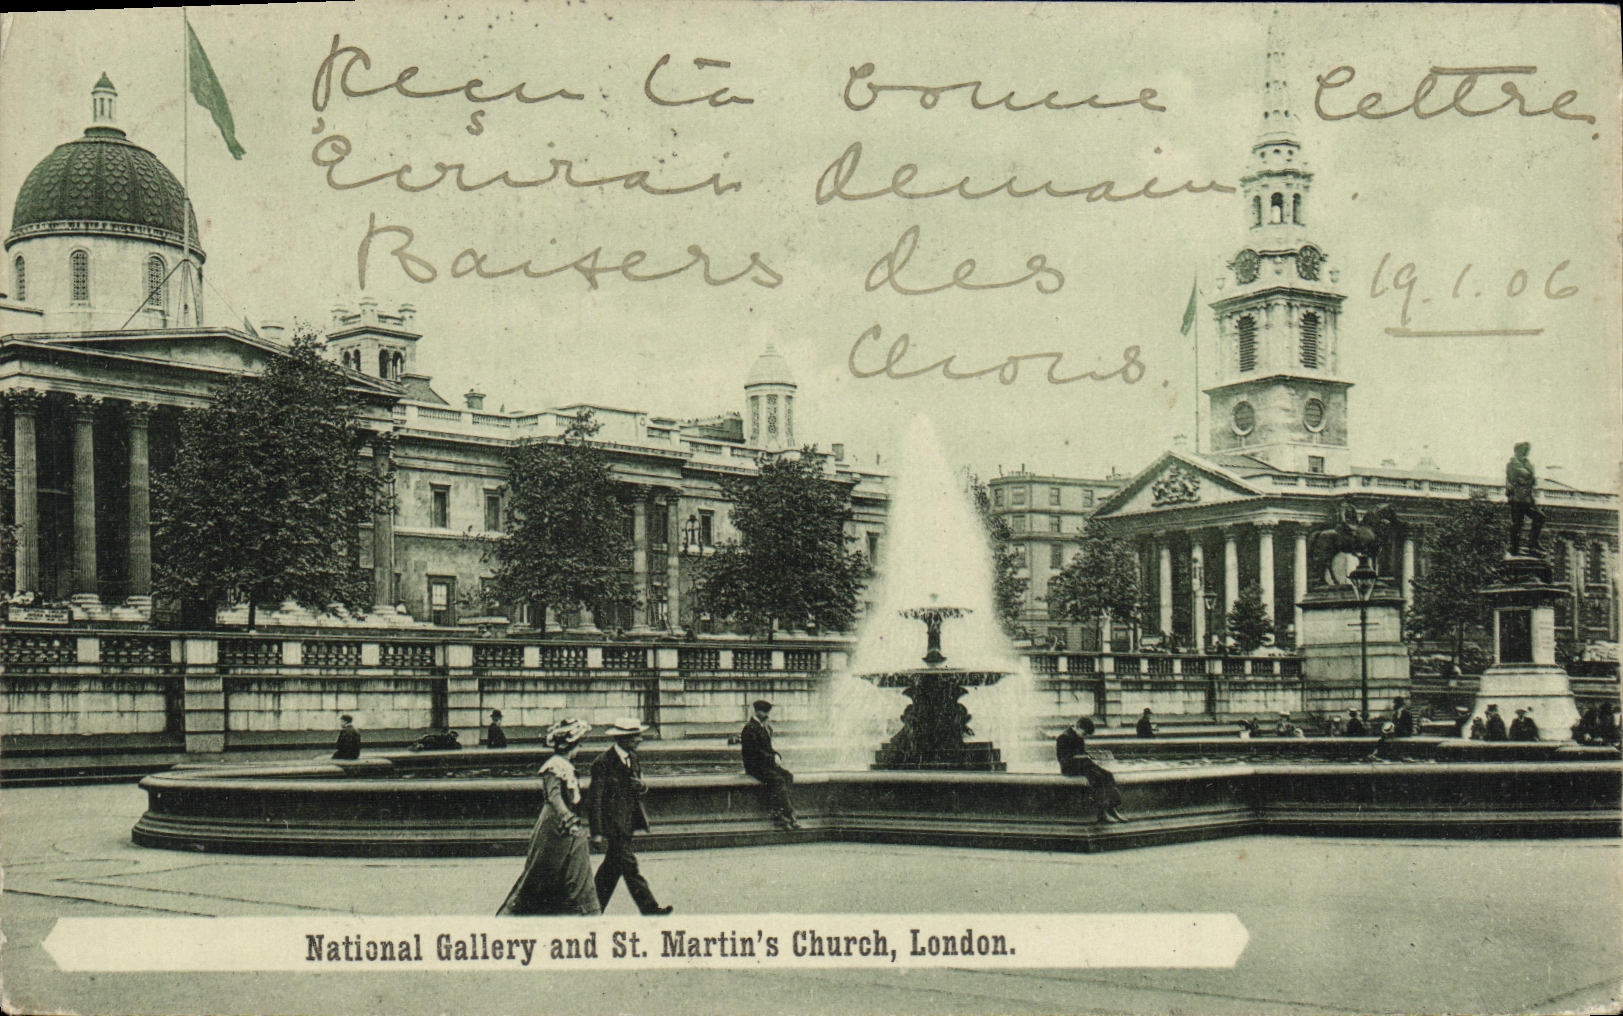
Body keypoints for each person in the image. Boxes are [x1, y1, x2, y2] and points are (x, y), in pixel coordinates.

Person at [497, 718, 599, 915]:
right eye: (579, 744)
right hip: (553, 824)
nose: (580, 748)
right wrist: (568, 818)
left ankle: (583, 908)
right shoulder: (554, 766)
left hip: (563, 822)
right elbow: (554, 797)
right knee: (543, 868)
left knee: (573, 858)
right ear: (572, 745)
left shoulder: (565, 765)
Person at [586, 718, 672, 916]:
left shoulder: (633, 757)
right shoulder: (602, 763)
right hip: (614, 825)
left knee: (611, 868)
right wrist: (597, 832)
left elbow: (639, 787)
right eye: (636, 736)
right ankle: (650, 908)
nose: (640, 739)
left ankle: (591, 907)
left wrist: (642, 787)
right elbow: (595, 800)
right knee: (630, 867)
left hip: (628, 821)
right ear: (622, 739)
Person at [740, 700, 800, 830]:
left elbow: (768, 748)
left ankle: (780, 810)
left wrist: (776, 755)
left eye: (767, 713)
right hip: (755, 766)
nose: (767, 715)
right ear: (757, 712)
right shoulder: (750, 728)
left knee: (788, 776)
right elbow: (754, 751)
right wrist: (772, 758)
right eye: (764, 713)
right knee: (777, 780)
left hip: (765, 764)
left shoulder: (764, 727)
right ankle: (787, 813)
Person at [1055, 717, 1124, 823]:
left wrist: (1094, 756)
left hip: (1082, 764)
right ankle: (1102, 812)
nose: (1085, 736)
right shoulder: (1063, 737)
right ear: (1077, 727)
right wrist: (1084, 757)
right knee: (1098, 777)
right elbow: (1064, 759)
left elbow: (1082, 752)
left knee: (1108, 775)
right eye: (1085, 733)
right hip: (1070, 767)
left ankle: (1112, 808)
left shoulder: (1078, 736)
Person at [1505, 441, 1545, 555]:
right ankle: (1515, 549)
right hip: (1517, 498)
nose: (1526, 452)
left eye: (1527, 450)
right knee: (1517, 524)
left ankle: (1532, 544)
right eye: (1524, 450)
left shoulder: (1526, 463)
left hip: (1527, 498)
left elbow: (1531, 479)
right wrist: (1528, 476)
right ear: (1517, 450)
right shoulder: (1513, 463)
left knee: (1540, 517)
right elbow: (1524, 476)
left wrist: (1528, 477)